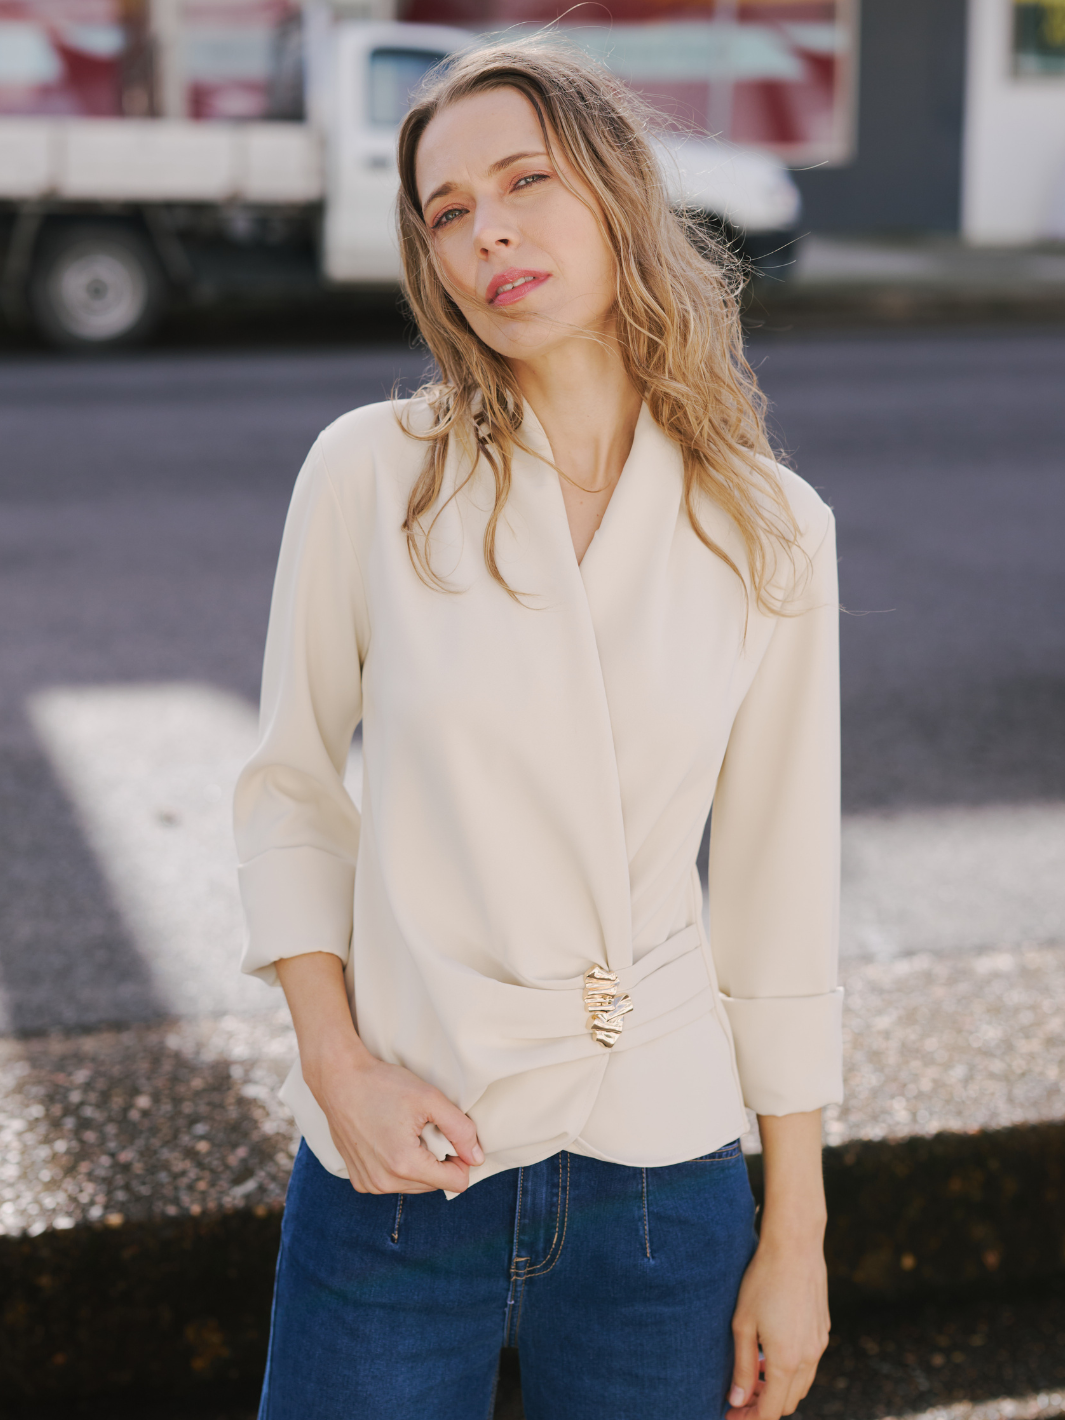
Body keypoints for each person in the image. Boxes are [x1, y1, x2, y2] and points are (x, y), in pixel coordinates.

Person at [234, 36, 842, 1420]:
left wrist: (796, 1234)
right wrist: (337, 1068)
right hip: (398, 1163)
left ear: (620, 192)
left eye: (525, 181)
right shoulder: (372, 473)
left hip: (663, 1180)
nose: (487, 231)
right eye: (447, 211)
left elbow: (781, 901)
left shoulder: (772, 527)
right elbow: (290, 794)